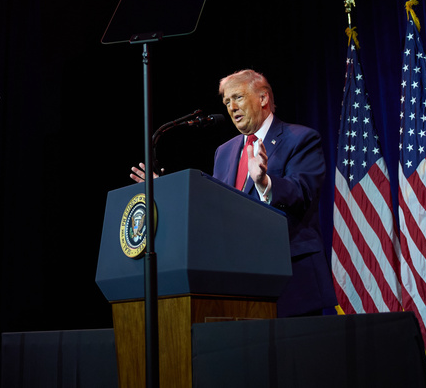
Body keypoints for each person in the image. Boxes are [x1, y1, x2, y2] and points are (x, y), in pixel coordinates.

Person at [130, 69, 336, 317]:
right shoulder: (224, 151)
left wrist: (265, 182)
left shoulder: (300, 138)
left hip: (290, 278)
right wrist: (166, 191)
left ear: (263, 98)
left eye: (237, 97)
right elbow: (215, 206)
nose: (231, 107)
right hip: (238, 282)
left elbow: (302, 193)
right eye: (227, 101)